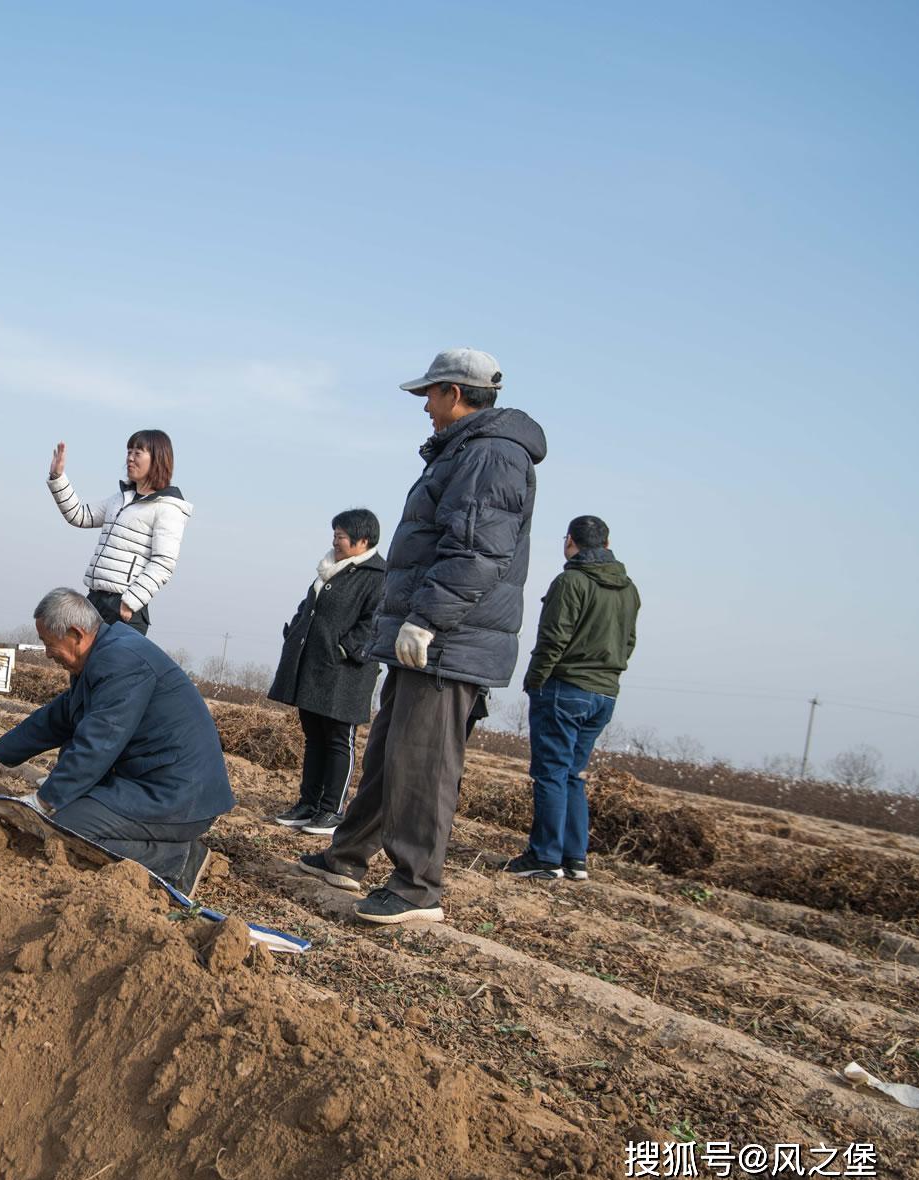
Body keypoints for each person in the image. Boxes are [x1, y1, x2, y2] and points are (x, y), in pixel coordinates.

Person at [297, 348, 546, 925]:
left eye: (430, 397)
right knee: (389, 753)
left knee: (425, 763)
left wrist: (428, 617)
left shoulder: (491, 456)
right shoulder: (467, 451)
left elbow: (478, 550)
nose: (426, 409)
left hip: (449, 640)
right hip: (434, 635)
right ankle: (348, 854)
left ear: (455, 394)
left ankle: (416, 888)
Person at [0, 588, 235, 894]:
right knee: (66, 810)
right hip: (151, 781)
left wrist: (42, 802)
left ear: (76, 633)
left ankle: (178, 860)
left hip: (179, 795)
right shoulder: (104, 654)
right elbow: (57, 717)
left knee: (68, 829)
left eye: (49, 644)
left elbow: (99, 742)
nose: (47, 653)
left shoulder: (122, 661)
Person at [506, 515, 640, 881]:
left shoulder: (571, 581)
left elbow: (553, 638)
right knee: (572, 775)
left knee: (550, 773)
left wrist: (536, 681)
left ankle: (545, 857)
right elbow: (628, 642)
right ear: (608, 545)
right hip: (605, 693)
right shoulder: (629, 589)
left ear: (570, 543)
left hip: (566, 688)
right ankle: (574, 858)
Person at [267, 509, 387, 835]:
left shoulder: (378, 577)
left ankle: (332, 810)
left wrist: (345, 648)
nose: (335, 540)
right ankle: (308, 804)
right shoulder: (330, 570)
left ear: (363, 541)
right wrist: (295, 630)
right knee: (314, 737)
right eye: (334, 534)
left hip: (345, 672)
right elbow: (310, 607)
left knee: (338, 739)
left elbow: (375, 623)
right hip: (314, 667)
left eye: (342, 536)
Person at [46, 430, 192, 633]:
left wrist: (130, 601)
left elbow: (163, 562)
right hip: (95, 601)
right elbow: (80, 516)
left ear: (158, 459)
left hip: (125, 608)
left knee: (112, 665)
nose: (130, 458)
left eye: (138, 453)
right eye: (129, 451)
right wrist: (58, 477)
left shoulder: (169, 507)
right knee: (85, 665)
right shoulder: (120, 498)